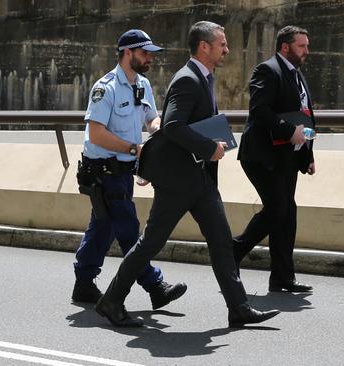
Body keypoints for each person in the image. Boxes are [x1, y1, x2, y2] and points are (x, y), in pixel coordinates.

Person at [95, 21, 280, 327]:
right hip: (179, 181)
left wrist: (207, 151)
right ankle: (111, 300)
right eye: (222, 43)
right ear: (204, 47)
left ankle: (239, 307)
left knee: (221, 241)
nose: (227, 49)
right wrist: (208, 148)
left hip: (198, 179)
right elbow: (172, 125)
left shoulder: (203, 77)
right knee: (150, 243)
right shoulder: (187, 79)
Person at [73, 29, 187, 310]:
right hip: (104, 172)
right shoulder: (105, 87)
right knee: (128, 230)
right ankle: (155, 286)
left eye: (150, 53)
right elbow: (96, 134)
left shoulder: (143, 85)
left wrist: (161, 130)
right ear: (128, 53)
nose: (150, 58)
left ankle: (83, 282)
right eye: (144, 52)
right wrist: (135, 149)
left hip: (123, 172)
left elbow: (151, 119)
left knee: (102, 227)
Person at [234, 25, 316, 293]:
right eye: (301, 46)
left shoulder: (297, 75)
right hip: (262, 156)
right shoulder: (267, 70)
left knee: (287, 212)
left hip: (287, 157)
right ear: (285, 47)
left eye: (306, 45)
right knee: (279, 208)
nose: (307, 51)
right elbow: (260, 112)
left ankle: (282, 277)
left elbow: (304, 116)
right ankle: (234, 251)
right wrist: (289, 131)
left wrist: (308, 155)